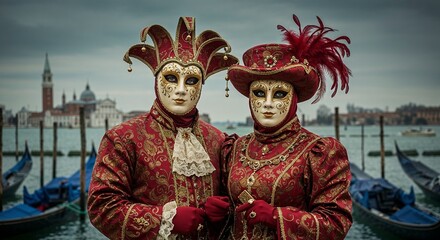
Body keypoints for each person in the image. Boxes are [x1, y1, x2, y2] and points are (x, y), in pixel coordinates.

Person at [87, 17, 238, 239]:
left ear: (201, 85)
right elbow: (101, 207)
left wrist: (224, 213)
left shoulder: (218, 140)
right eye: (171, 78)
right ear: (157, 80)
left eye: (191, 81)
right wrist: (165, 220)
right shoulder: (123, 138)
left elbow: (236, 201)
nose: (180, 90)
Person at [221, 14, 353, 239]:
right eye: (259, 93)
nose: (268, 103)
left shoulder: (319, 152)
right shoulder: (234, 149)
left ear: (294, 98)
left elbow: (336, 223)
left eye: (279, 94)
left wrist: (277, 217)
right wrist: (219, 214)